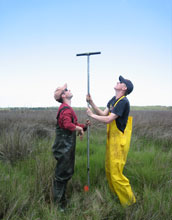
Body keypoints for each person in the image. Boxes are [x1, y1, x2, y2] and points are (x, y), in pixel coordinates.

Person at [86, 75, 136, 206]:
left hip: (119, 141)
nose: (118, 82)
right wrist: (92, 103)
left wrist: (91, 115)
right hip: (111, 139)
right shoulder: (114, 100)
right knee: (109, 170)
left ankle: (129, 202)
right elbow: (103, 114)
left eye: (121, 82)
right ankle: (117, 197)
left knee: (116, 172)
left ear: (124, 88)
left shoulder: (124, 101)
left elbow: (109, 119)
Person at [52, 83, 90, 210]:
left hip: (66, 147)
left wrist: (84, 126)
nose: (70, 90)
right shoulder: (65, 109)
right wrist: (79, 128)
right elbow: (67, 125)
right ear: (63, 95)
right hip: (63, 147)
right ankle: (59, 206)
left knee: (65, 173)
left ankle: (62, 200)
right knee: (61, 176)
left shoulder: (66, 108)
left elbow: (72, 124)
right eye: (67, 90)